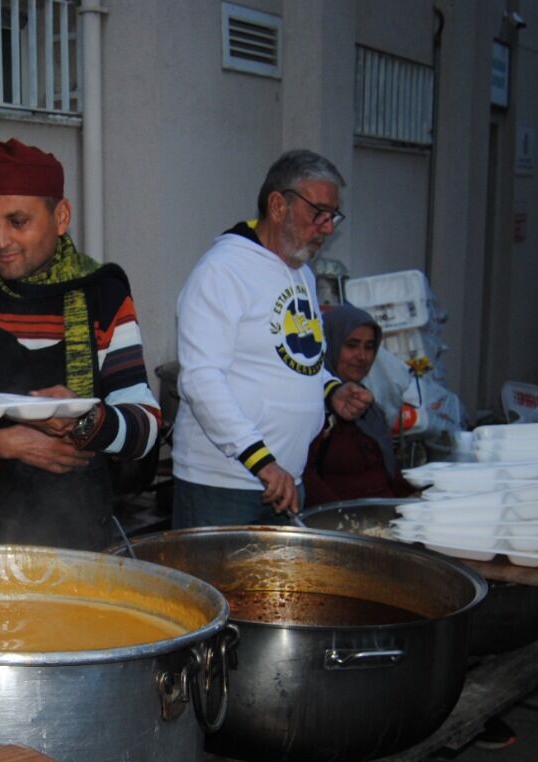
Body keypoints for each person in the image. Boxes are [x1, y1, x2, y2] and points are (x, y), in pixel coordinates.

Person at [0, 140, 161, 549]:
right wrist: (5, 444)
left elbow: (145, 426)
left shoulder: (103, 296)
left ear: (61, 217)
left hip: (78, 542)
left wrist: (84, 420)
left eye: (18, 222)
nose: (0, 240)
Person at [171, 150, 372, 528]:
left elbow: (297, 360)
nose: (328, 228)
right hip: (223, 484)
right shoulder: (223, 270)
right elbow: (200, 379)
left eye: (333, 216)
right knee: (220, 589)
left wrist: (331, 390)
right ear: (278, 205)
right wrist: (262, 460)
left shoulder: (302, 274)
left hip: (283, 479)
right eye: (319, 213)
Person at [302, 304, 415, 506]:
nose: (362, 356)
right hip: (341, 524)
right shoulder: (315, 407)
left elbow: (388, 474)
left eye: (369, 347)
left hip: (383, 519)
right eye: (352, 345)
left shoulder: (366, 404)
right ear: (330, 345)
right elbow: (306, 479)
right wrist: (346, 521)